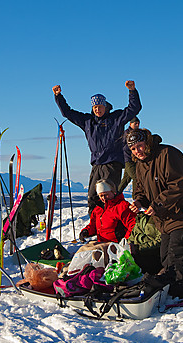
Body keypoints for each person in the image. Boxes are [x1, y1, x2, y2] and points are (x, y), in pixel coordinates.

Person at [128, 128, 183, 298]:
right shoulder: (140, 166)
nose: (138, 151)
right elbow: (141, 191)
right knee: (166, 258)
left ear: (148, 143)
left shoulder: (167, 154)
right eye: (133, 148)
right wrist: (139, 202)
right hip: (167, 220)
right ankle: (176, 290)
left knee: (177, 259)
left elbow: (179, 185)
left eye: (140, 145)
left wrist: (158, 204)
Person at [53, 80, 141, 213]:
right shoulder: (88, 121)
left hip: (112, 164)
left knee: (109, 197)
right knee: (93, 197)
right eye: (95, 107)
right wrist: (59, 97)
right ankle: (95, 225)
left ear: (105, 106)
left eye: (100, 106)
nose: (97, 109)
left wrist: (132, 91)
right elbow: (68, 113)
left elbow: (134, 108)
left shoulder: (116, 118)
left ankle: (112, 226)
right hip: (96, 164)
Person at [78, 179, 136, 244]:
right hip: (102, 244)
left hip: (117, 245)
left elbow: (133, 226)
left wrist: (125, 242)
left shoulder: (122, 207)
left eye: (106, 194)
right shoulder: (98, 209)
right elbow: (93, 225)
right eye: (101, 196)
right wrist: (86, 231)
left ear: (113, 192)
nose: (103, 198)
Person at [117, 117, 140, 192]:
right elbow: (124, 146)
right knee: (136, 177)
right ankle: (135, 197)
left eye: (138, 124)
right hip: (129, 160)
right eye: (135, 123)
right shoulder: (127, 134)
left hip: (133, 160)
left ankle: (115, 195)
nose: (137, 125)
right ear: (130, 124)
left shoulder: (137, 133)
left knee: (125, 180)